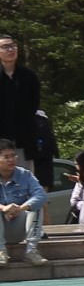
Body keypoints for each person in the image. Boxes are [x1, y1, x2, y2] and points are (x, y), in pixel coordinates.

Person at [0, 32, 42, 181]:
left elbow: (34, 104)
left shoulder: (28, 76)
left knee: (24, 180)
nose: (11, 49)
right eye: (5, 47)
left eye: (13, 46)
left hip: (24, 139)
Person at [0, 137, 47, 266]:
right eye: (6, 157)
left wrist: (20, 209)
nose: (11, 160)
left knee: (36, 206)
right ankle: (1, 252)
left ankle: (31, 251)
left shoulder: (25, 174)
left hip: (18, 229)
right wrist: (3, 208)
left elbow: (41, 195)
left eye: (13, 155)